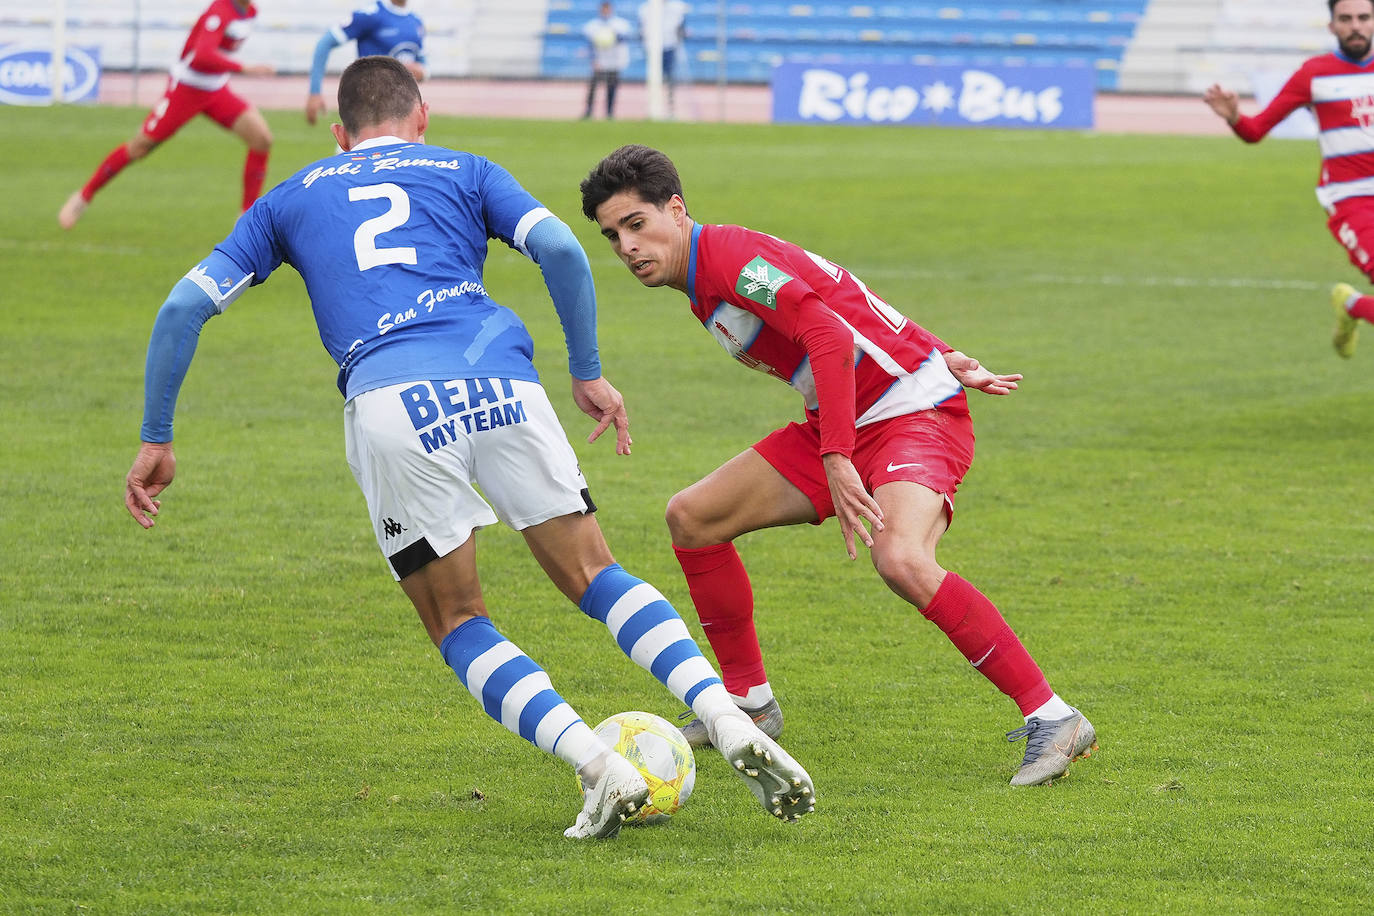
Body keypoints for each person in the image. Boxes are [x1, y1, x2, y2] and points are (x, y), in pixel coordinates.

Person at [122, 58, 814, 839]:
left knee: (457, 619)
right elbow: (561, 249)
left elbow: (184, 305)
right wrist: (585, 373)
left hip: (392, 401)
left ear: (338, 132)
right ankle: (726, 717)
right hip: (503, 385)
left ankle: (598, 766)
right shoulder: (465, 169)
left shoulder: (291, 199)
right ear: (422, 117)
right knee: (596, 573)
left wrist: (157, 435)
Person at [579, 144, 1098, 787]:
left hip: (913, 411)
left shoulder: (732, 262)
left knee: (901, 558)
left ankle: (1054, 717)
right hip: (852, 410)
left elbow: (825, 331)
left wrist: (839, 451)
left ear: (676, 210)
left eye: (636, 224)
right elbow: (846, 295)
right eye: (612, 236)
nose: (626, 246)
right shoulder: (708, 273)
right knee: (693, 518)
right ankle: (749, 703)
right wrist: (940, 348)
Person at [1204, 0, 1374, 359]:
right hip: (1352, 201)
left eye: (1363, 17)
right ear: (1332, 26)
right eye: (1346, 19)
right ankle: (1353, 306)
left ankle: (1353, 305)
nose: (1355, 26)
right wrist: (1234, 117)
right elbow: (1255, 131)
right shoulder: (1314, 75)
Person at [57, 0, 274, 230]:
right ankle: (83, 197)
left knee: (262, 139)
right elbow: (202, 56)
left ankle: (247, 219)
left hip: (216, 90)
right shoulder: (219, 12)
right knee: (139, 147)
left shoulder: (249, 12)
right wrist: (245, 68)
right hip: (187, 90)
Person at [305, 0, 427, 125]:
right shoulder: (370, 14)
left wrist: (420, 72)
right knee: (359, 143)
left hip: (402, 109)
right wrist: (315, 91)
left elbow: (423, 68)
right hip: (369, 106)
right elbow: (325, 43)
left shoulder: (416, 21)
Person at [581, 1, 631, 120]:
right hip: (600, 61)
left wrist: (613, 35)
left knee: (612, 87)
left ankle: (609, 113)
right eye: (603, 9)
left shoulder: (620, 24)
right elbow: (590, 44)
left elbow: (624, 39)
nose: (605, 12)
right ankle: (588, 112)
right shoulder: (592, 25)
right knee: (593, 87)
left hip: (615, 61)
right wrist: (593, 60)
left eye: (607, 9)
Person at [637, 0, 688, 116]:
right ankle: (653, 106)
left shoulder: (677, 7)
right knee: (654, 77)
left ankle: (671, 107)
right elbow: (641, 28)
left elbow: (681, 27)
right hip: (652, 48)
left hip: (670, 46)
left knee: (670, 78)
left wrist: (680, 36)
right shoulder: (645, 8)